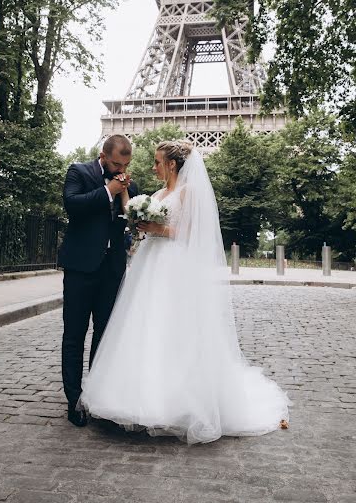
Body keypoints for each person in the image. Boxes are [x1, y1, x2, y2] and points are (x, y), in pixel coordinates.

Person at [79, 140, 290, 444]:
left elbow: (191, 233)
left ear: (172, 164)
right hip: (150, 265)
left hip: (172, 265)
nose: (153, 167)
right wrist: (127, 196)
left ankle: (175, 401)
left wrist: (156, 230)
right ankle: (140, 395)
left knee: (173, 329)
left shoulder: (188, 193)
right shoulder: (158, 194)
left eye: (157, 162)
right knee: (146, 327)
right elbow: (132, 214)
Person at [58, 134, 138, 427]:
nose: (121, 169)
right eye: (116, 163)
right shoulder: (79, 172)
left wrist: (128, 201)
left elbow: (133, 219)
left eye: (126, 164)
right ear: (103, 156)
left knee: (104, 337)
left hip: (112, 271)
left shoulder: (128, 183)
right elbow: (73, 205)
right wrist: (108, 190)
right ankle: (74, 400)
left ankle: (98, 396)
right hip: (80, 269)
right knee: (74, 336)